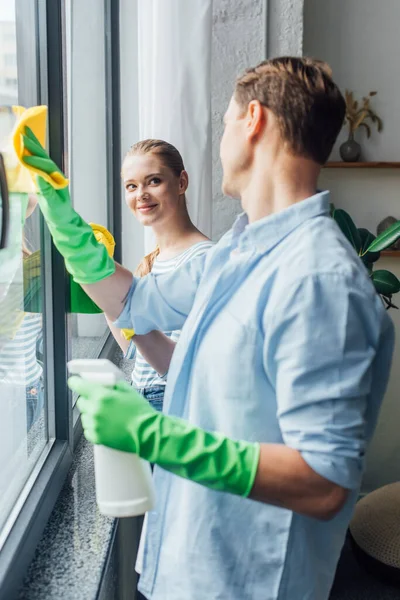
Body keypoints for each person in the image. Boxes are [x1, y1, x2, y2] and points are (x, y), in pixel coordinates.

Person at [16, 57, 394, 600]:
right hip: (191, 567)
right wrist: (56, 208)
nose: (220, 141)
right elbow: (134, 302)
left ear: (254, 121)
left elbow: (326, 481)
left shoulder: (320, 279)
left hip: (245, 583)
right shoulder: (238, 256)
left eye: (224, 123)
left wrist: (154, 435)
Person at [107, 140, 212, 411]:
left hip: (172, 399)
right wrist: (106, 297)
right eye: (131, 186)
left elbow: (189, 365)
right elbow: (135, 351)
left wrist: (119, 297)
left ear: (181, 182)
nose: (140, 194)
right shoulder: (154, 259)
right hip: (141, 396)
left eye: (153, 181)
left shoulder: (202, 258)